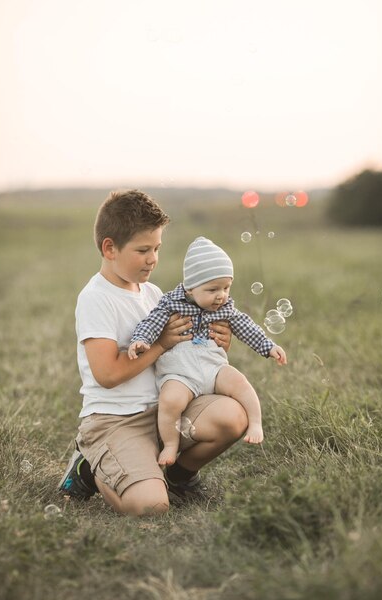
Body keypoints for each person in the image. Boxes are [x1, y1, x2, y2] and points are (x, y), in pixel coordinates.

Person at [58, 189, 248, 516]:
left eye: (157, 248)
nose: (153, 259)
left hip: (163, 413)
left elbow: (181, 351)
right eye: (143, 250)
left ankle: (175, 477)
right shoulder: (97, 298)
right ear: (110, 248)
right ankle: (90, 467)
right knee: (153, 506)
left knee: (233, 417)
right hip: (117, 421)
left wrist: (213, 342)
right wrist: (162, 344)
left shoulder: (153, 293)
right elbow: (108, 375)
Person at [128, 236, 287, 467]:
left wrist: (268, 346)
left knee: (240, 382)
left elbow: (246, 327)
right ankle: (171, 445)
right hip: (180, 373)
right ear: (190, 288)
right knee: (170, 401)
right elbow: (151, 323)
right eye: (212, 289)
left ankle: (255, 423)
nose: (221, 295)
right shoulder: (170, 304)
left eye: (226, 287)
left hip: (213, 368)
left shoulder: (225, 308)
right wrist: (141, 340)